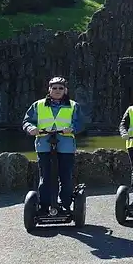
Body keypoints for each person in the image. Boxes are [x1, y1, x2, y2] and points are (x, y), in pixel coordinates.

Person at [22, 76, 84, 214]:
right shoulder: (38, 105)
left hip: (66, 145)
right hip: (44, 144)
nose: (57, 90)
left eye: (60, 88)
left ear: (65, 90)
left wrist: (73, 128)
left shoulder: (74, 105)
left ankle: (66, 204)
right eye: (54, 88)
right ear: (49, 89)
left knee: (65, 176)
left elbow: (81, 123)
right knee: (45, 176)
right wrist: (30, 128)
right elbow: (27, 121)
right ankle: (44, 206)